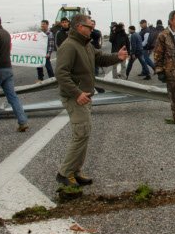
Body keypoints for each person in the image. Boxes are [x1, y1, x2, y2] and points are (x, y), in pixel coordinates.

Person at [55, 14, 128, 187]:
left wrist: (117, 56)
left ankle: (75, 171)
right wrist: (77, 93)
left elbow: (100, 58)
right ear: (79, 27)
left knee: (84, 134)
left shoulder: (85, 44)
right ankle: (64, 173)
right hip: (76, 98)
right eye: (90, 26)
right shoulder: (69, 46)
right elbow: (61, 74)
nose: (92, 29)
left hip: (85, 96)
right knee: (81, 134)